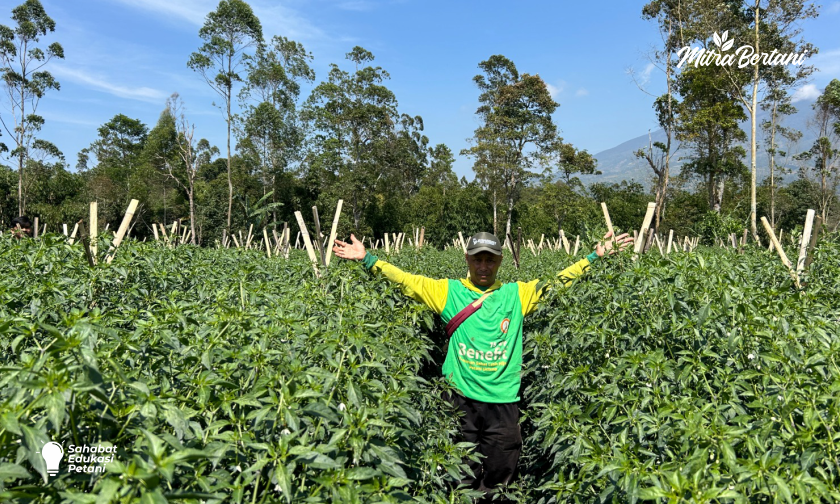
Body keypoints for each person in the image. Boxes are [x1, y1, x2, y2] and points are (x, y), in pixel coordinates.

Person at [332, 230, 634, 500]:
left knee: (500, 478)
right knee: (459, 479)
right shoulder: (450, 292)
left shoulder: (516, 295)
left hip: (503, 404)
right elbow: (408, 281)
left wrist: (594, 257)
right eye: (478, 260)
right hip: (458, 402)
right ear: (467, 259)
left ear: (500, 261)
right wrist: (368, 259)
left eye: (490, 260)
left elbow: (557, 282)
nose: (483, 267)